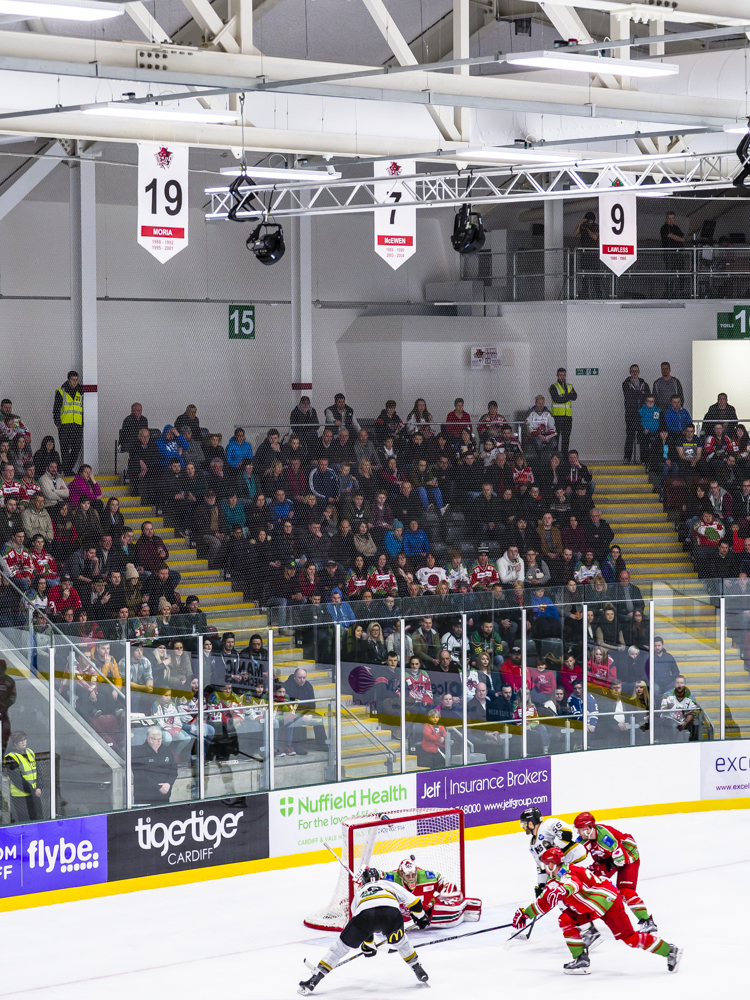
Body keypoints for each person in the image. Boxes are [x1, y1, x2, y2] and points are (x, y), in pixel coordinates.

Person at [512, 847, 681, 975]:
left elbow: (573, 885)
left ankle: (670, 950)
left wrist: (564, 891)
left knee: (630, 938)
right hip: (593, 907)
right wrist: (526, 913)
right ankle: (581, 960)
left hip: (607, 902)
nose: (544, 866)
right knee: (565, 919)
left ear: (553, 863)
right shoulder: (554, 880)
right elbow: (543, 903)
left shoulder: (568, 872)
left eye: (546, 863)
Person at [298, 867, 429, 995]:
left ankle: (314, 980)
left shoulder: (359, 893)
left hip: (366, 917)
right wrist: (421, 916)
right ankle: (417, 968)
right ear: (378, 878)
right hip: (392, 915)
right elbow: (414, 902)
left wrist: (368, 946)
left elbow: (364, 924)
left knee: (339, 948)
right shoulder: (387, 884)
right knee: (401, 942)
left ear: (363, 882)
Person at [572, 810, 658, 932]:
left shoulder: (606, 838)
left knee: (625, 891)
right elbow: (572, 854)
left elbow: (622, 859)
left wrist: (601, 867)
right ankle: (587, 926)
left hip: (628, 856)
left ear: (589, 827)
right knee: (588, 884)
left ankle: (648, 922)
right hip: (610, 857)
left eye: (580, 829)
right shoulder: (583, 839)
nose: (578, 832)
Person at [384, 855, 481, 926]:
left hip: (421, 913)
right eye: (407, 875)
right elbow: (378, 875)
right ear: (401, 874)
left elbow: (444, 882)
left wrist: (445, 892)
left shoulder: (427, 876)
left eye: (413, 874)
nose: (411, 878)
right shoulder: (392, 878)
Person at [519, 806, 589, 897]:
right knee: (566, 898)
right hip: (564, 870)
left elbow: (567, 834)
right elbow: (541, 867)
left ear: (531, 823)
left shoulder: (547, 825)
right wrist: (541, 885)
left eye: (524, 823)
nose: (523, 827)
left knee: (586, 891)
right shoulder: (532, 846)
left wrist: (554, 848)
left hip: (578, 859)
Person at [131, 725, 178, 804]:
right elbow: (140, 775)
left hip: (164, 796)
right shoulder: (139, 752)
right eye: (156, 739)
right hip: (145, 797)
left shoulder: (166, 750)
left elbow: (173, 769)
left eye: (160, 739)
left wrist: (168, 783)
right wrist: (158, 786)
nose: (159, 742)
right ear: (149, 739)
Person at [4, 729, 43, 822]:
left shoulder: (30, 752)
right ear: (15, 743)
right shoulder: (10, 757)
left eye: (24, 739)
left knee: (38, 818)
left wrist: (39, 787)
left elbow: (38, 771)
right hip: (20, 796)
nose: (23, 742)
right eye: (20, 740)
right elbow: (17, 779)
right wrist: (33, 790)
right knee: (25, 820)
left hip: (34, 793)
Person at [53, 370, 83, 475]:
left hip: (77, 425)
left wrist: (82, 423)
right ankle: (66, 470)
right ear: (68, 380)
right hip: (65, 425)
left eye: (76, 380)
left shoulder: (80, 392)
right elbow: (56, 409)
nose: (75, 382)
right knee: (65, 449)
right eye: (73, 380)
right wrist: (58, 423)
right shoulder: (61, 392)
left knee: (76, 449)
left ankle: (67, 468)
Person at [622, 364, 649, 463]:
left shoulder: (644, 384)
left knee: (643, 436)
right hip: (630, 414)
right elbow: (628, 395)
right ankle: (627, 458)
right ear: (630, 372)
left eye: (636, 371)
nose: (634, 373)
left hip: (642, 415)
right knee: (630, 436)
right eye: (633, 371)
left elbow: (648, 396)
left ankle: (644, 459)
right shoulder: (626, 383)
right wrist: (640, 393)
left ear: (639, 372)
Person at [659, 674, 699, 742]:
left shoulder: (690, 696)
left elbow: (692, 712)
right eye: (677, 683)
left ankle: (693, 744)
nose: (679, 685)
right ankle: (673, 746)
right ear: (674, 684)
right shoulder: (667, 694)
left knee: (696, 723)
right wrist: (668, 707)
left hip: (684, 719)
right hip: (669, 719)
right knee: (674, 725)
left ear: (685, 684)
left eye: (681, 683)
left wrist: (686, 722)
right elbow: (662, 710)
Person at [548, 367, 577, 456]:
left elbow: (575, 397)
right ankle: (555, 458)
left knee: (566, 438)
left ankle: (564, 458)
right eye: (560, 375)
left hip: (567, 417)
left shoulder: (569, 386)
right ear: (557, 375)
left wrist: (564, 396)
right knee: (556, 438)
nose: (562, 377)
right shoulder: (553, 386)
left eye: (564, 375)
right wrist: (568, 396)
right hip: (557, 416)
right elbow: (557, 399)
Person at [660, 212, 686, 297]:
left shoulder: (676, 228)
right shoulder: (664, 228)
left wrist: (685, 239)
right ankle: (669, 292)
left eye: (673, 218)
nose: (671, 220)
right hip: (669, 254)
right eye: (669, 218)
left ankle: (681, 292)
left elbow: (682, 236)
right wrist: (682, 240)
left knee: (681, 274)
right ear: (666, 219)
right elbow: (672, 236)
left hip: (679, 254)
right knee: (670, 274)